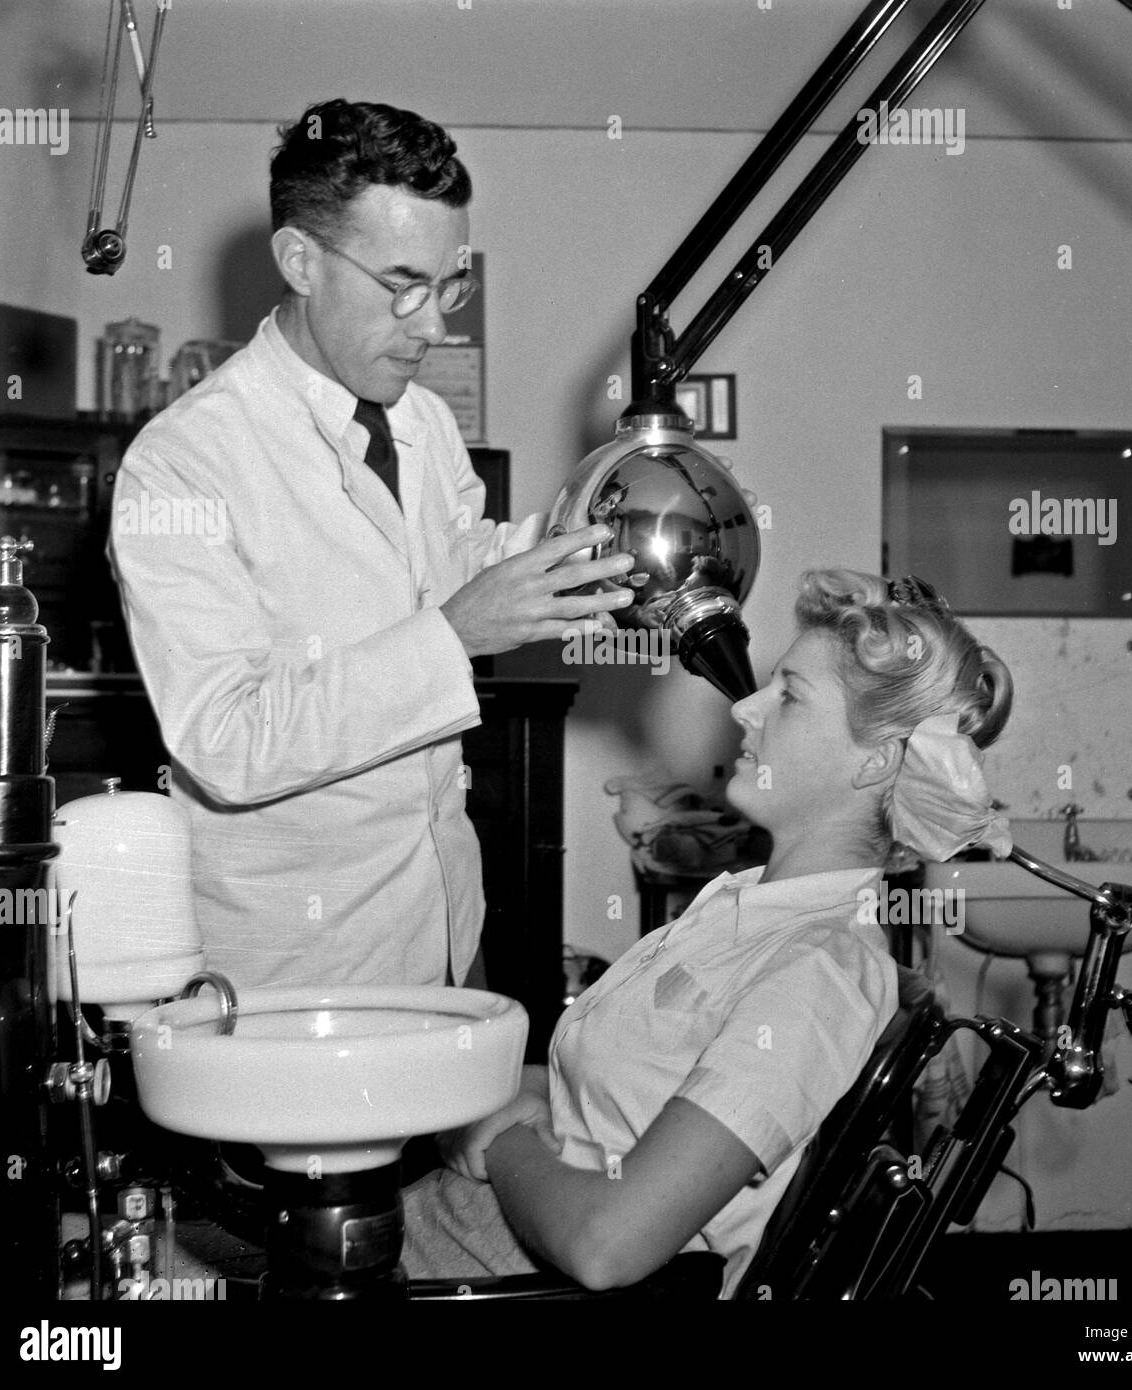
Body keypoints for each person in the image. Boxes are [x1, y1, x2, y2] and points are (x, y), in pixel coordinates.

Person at [108, 100, 633, 990]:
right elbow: (226, 742)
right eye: (403, 285)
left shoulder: (421, 418)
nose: (434, 326)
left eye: (451, 284)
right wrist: (456, 635)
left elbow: (447, 559)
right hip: (294, 965)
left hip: (438, 919)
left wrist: (594, 524)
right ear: (300, 261)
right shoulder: (182, 465)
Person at [400, 568, 1014, 1297]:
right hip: (430, 1234)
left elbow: (609, 1247)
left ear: (875, 760)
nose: (748, 709)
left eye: (788, 695)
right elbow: (621, 1097)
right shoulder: (744, 907)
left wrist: (499, 1141)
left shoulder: (817, 968)